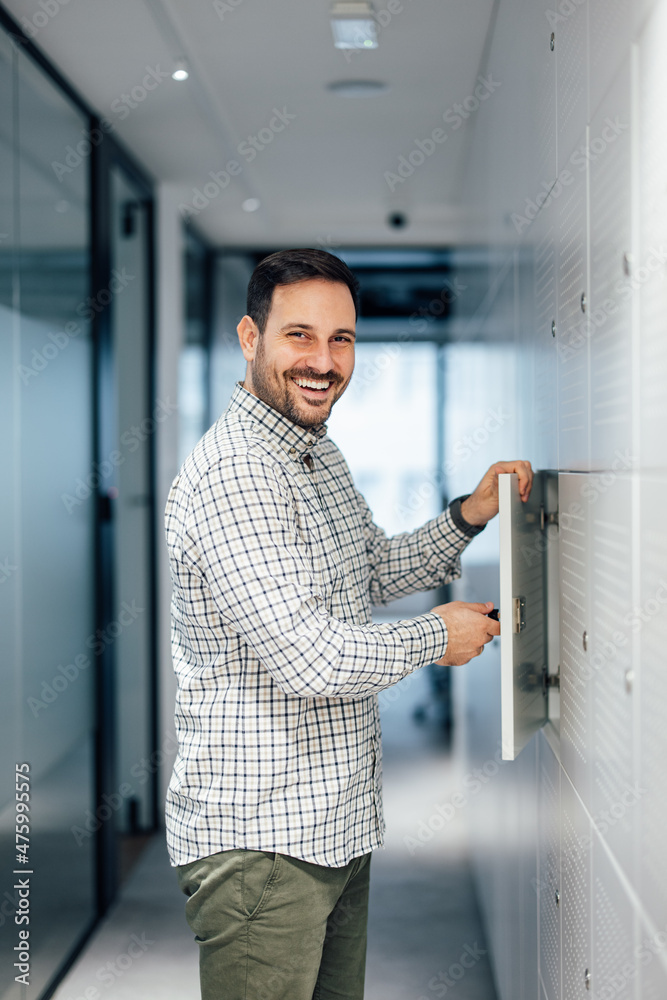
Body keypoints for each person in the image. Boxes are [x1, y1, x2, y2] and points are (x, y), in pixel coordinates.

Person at [164, 248, 533, 1000]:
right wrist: (435, 637)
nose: (323, 361)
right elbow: (308, 657)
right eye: (299, 335)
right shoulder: (237, 472)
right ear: (249, 337)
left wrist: (469, 514)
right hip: (260, 848)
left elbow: (368, 571)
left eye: (342, 339)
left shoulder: (315, 454)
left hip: (330, 828)